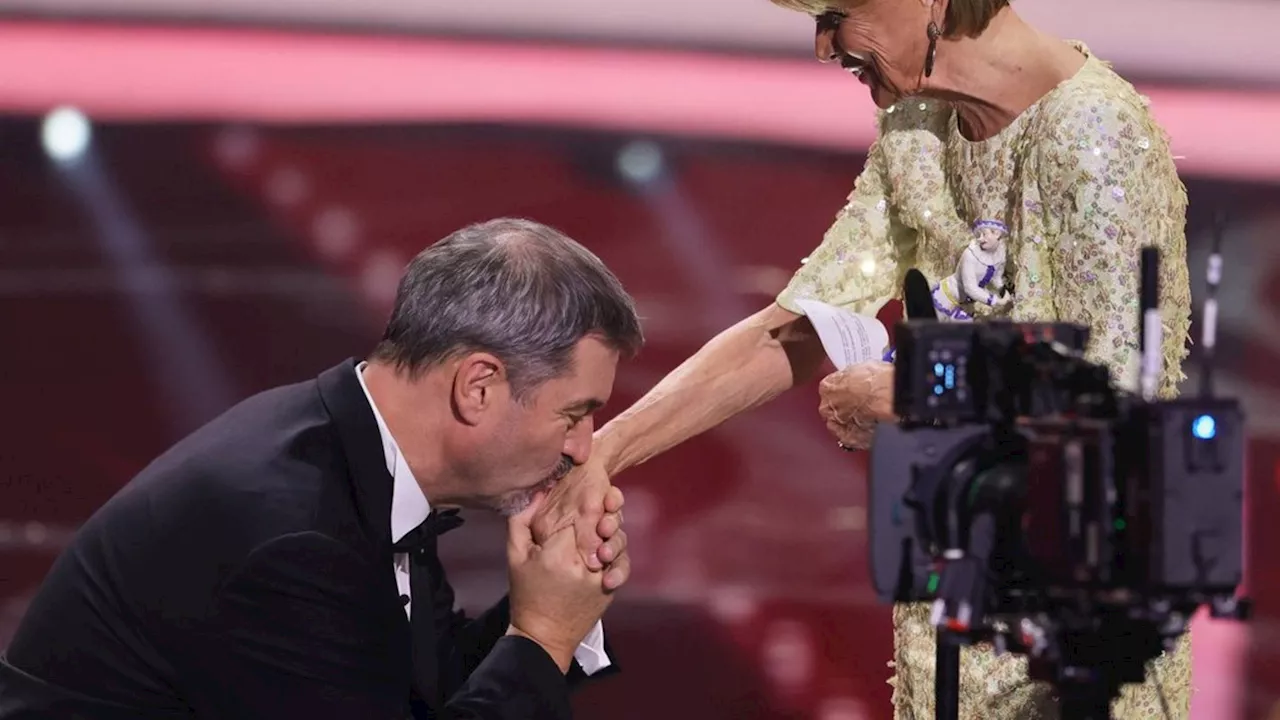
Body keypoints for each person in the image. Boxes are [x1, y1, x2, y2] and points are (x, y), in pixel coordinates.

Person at [533, 1, 1194, 718]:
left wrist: (919, 390)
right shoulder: (917, 129)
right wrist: (607, 451)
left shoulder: (1096, 131)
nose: (825, 48)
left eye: (838, 14)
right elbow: (794, 326)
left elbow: (1122, 395)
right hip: (947, 601)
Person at [0, 218, 643, 719]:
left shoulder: (355, 457)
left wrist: (555, 605)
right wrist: (543, 635)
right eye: (574, 413)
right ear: (478, 386)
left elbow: (432, 692)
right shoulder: (291, 537)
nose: (583, 448)